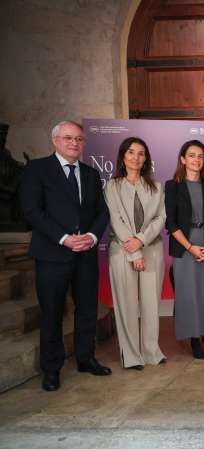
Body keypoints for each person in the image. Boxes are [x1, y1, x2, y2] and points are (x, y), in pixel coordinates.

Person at [19, 120, 111, 391]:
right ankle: (52, 369)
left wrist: (92, 237)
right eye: (68, 138)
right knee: (52, 313)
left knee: (87, 310)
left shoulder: (91, 174)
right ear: (55, 141)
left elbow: (101, 212)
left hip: (85, 254)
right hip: (52, 254)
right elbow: (32, 211)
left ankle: (86, 358)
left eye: (79, 139)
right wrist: (64, 239)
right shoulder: (37, 169)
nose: (74, 143)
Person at [105, 137, 167, 369]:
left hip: (152, 249)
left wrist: (141, 241)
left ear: (146, 159)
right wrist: (134, 253)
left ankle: (151, 352)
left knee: (151, 304)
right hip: (122, 252)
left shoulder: (156, 187)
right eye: (131, 152)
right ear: (123, 156)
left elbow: (160, 218)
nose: (136, 157)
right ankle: (131, 356)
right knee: (127, 305)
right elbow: (117, 220)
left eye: (141, 153)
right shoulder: (112, 186)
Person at [164, 140, 204, 359]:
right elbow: (170, 223)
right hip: (185, 246)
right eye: (192, 155)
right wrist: (191, 247)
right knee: (189, 294)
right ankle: (194, 338)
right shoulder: (172, 186)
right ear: (183, 159)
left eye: (200, 156)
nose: (196, 160)